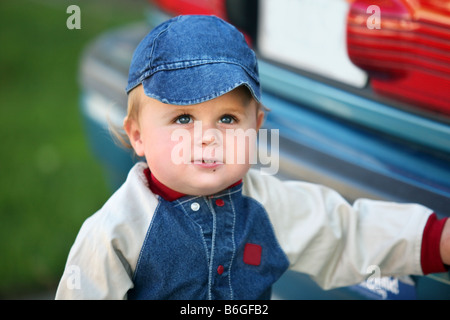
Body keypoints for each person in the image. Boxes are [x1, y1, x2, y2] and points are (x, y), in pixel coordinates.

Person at [55, 15, 449, 300]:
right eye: (182, 118)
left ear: (256, 125)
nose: (207, 138)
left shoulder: (268, 206)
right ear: (138, 135)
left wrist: (435, 240)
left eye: (227, 118)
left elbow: (346, 233)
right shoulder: (116, 232)